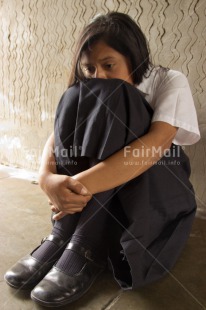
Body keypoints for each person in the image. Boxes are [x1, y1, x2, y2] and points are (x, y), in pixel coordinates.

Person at [4, 12, 200, 308]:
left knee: (118, 95)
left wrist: (74, 188)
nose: (99, 76)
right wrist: (47, 178)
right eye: (90, 68)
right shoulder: (91, 86)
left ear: (133, 56)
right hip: (103, 194)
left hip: (154, 191)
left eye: (108, 65)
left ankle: (86, 244)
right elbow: (55, 138)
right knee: (74, 94)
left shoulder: (169, 80)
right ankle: (62, 235)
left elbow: (156, 144)